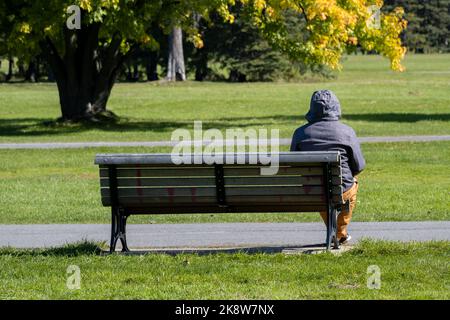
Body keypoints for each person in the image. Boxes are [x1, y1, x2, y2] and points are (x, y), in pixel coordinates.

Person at [290, 90, 366, 244]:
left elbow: (294, 166)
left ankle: (336, 232)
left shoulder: (300, 133)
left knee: (320, 188)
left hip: (314, 191)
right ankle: (339, 231)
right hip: (342, 189)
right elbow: (359, 166)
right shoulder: (347, 132)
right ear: (336, 107)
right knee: (352, 182)